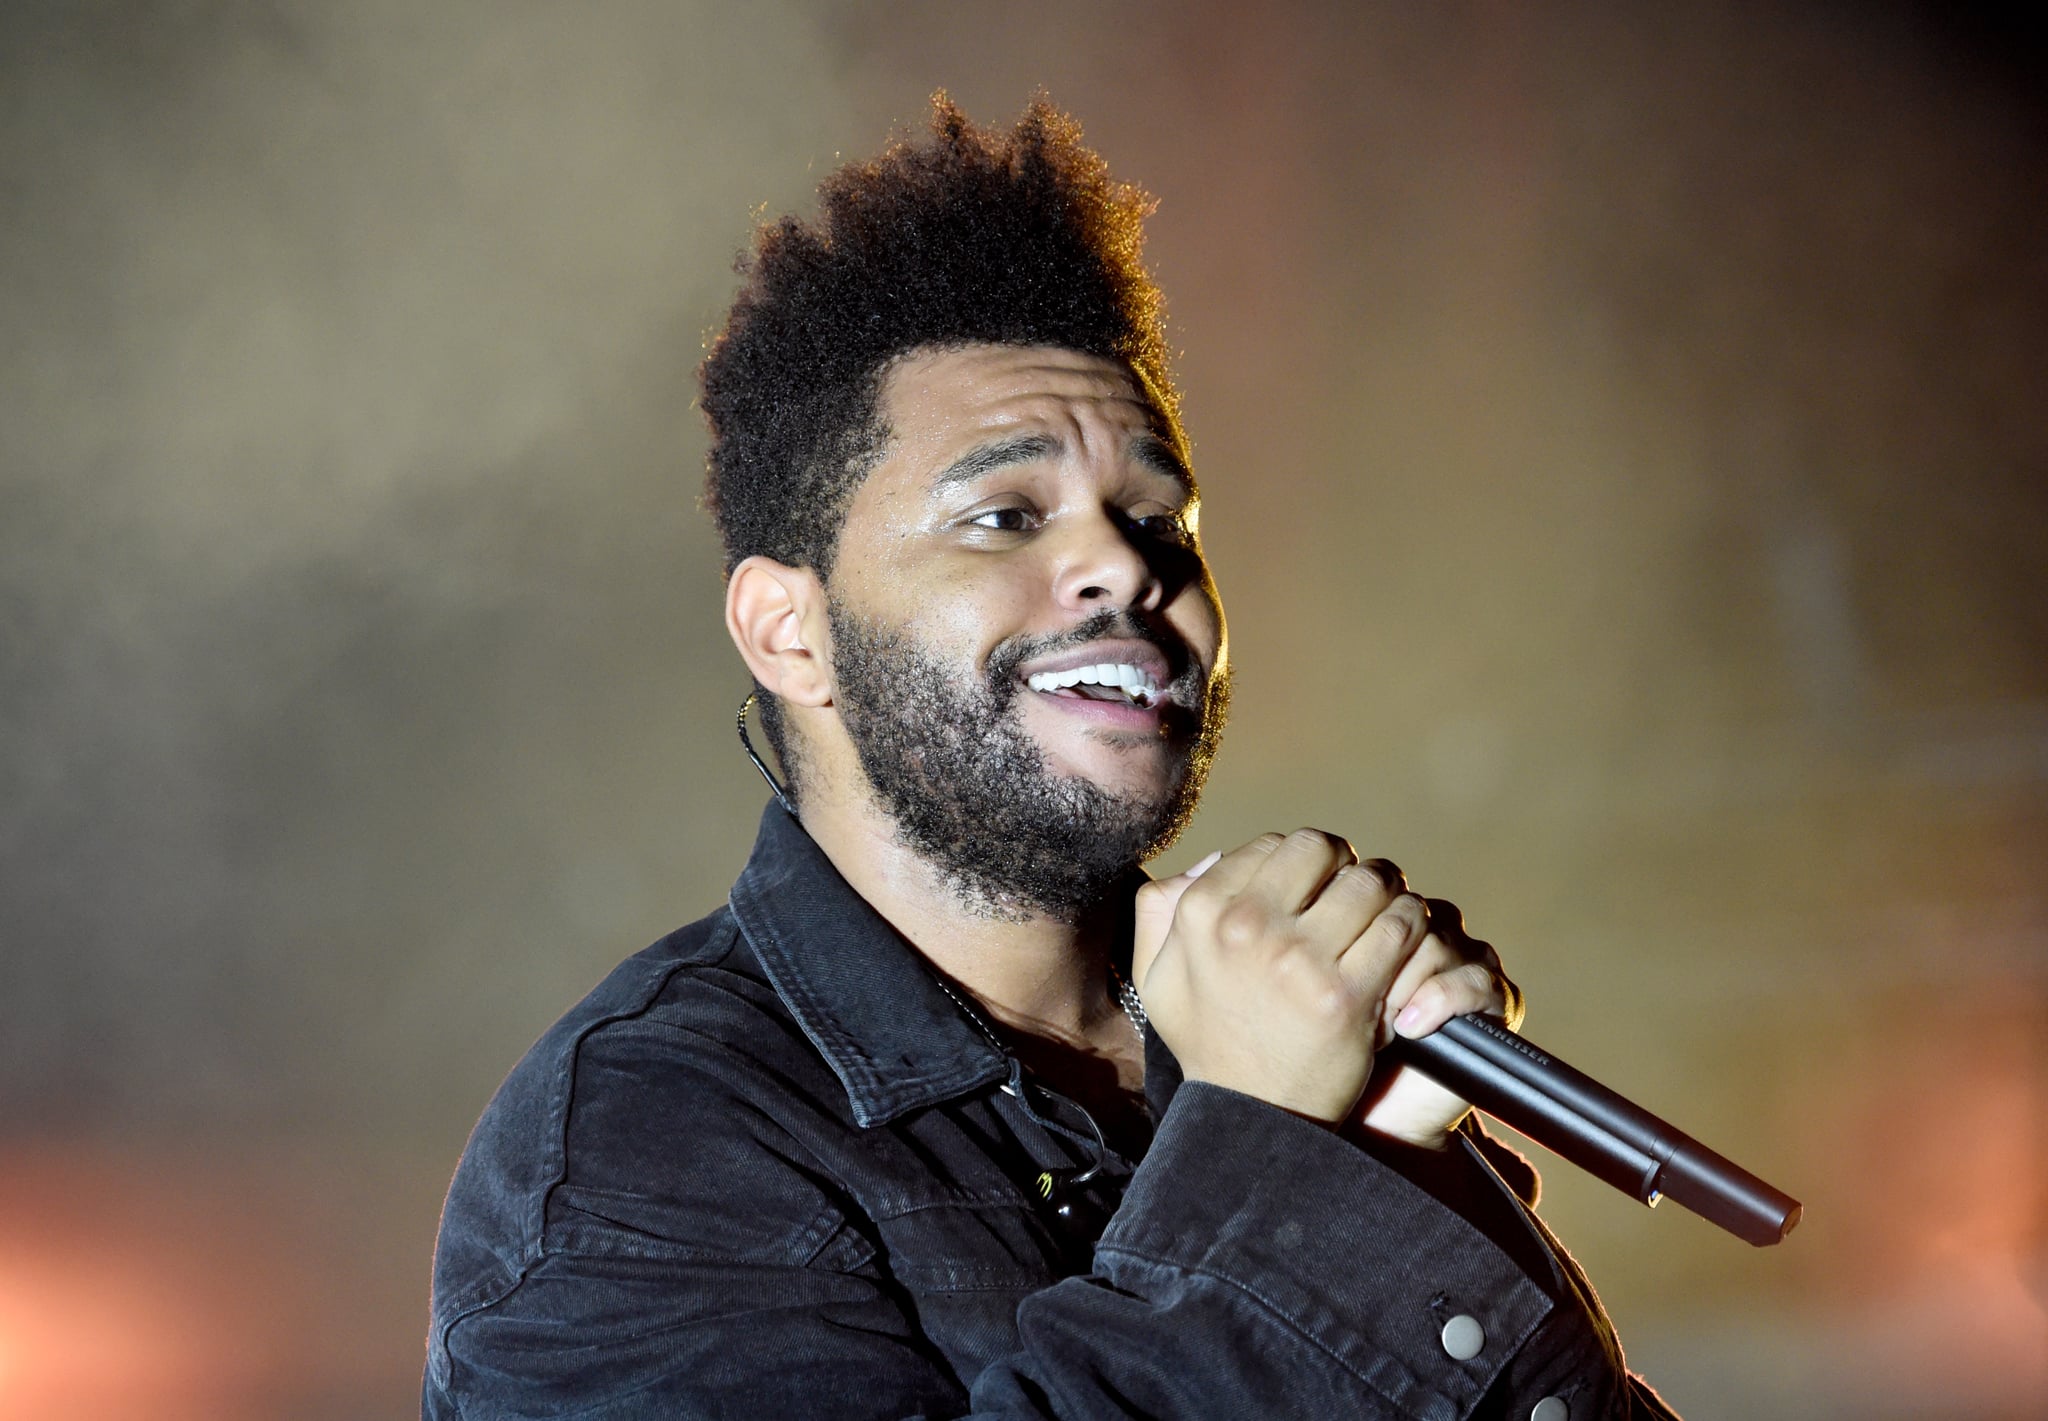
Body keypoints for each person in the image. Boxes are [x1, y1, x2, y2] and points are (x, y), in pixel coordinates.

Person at [423, 95, 1677, 1419]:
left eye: (1154, 515)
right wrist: (1267, 1162)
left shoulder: (1263, 1040)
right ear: (793, 635)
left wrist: (1381, 1161)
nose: (1122, 564)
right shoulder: (641, 1155)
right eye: (1005, 515)